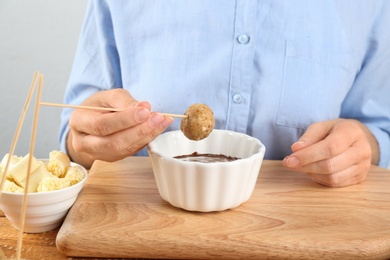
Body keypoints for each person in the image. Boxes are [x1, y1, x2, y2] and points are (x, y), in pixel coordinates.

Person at [60, 0, 390, 188]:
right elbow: (75, 134)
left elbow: (380, 129)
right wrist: (85, 142)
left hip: (309, 228)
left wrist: (364, 143)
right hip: (143, 223)